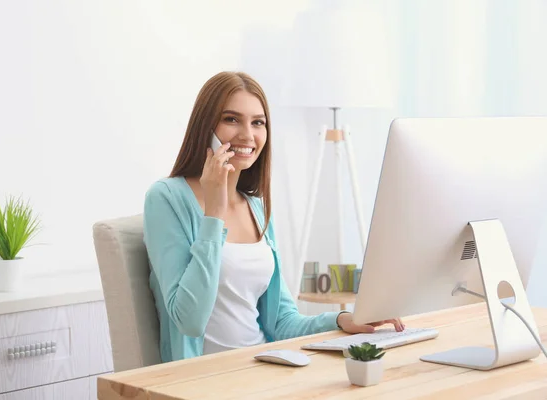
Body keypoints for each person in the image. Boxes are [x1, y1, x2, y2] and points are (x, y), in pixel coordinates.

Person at [143, 71, 404, 363]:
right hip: (205, 379)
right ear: (206, 127)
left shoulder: (256, 206)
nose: (247, 135)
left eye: (258, 122)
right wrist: (214, 214)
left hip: (263, 366)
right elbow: (189, 320)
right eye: (231, 119)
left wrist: (342, 319)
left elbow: (282, 322)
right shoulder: (166, 198)